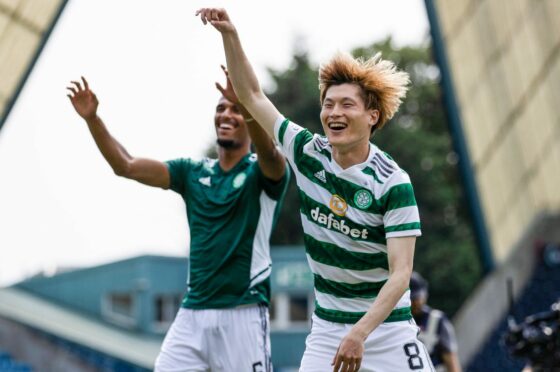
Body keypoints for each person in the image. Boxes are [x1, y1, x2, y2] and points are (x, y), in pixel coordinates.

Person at [197, 8, 433, 372]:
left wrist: (360, 333)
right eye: (328, 103)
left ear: (372, 116)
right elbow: (252, 95)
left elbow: (401, 274)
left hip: (385, 329)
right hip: (328, 328)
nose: (333, 112)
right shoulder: (307, 151)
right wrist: (229, 33)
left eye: (346, 104)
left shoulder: (393, 182)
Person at [66, 67, 289, 371]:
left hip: (243, 312)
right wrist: (93, 120)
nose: (226, 114)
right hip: (192, 313)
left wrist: (250, 107)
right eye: (221, 108)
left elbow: (271, 156)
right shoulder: (191, 172)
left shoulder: (261, 172)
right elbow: (126, 165)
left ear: (249, 119)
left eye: (236, 110)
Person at [410, 272, 462, 372]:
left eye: (418, 297)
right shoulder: (400, 325)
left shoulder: (436, 320)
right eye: (412, 299)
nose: (417, 302)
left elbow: (450, 358)